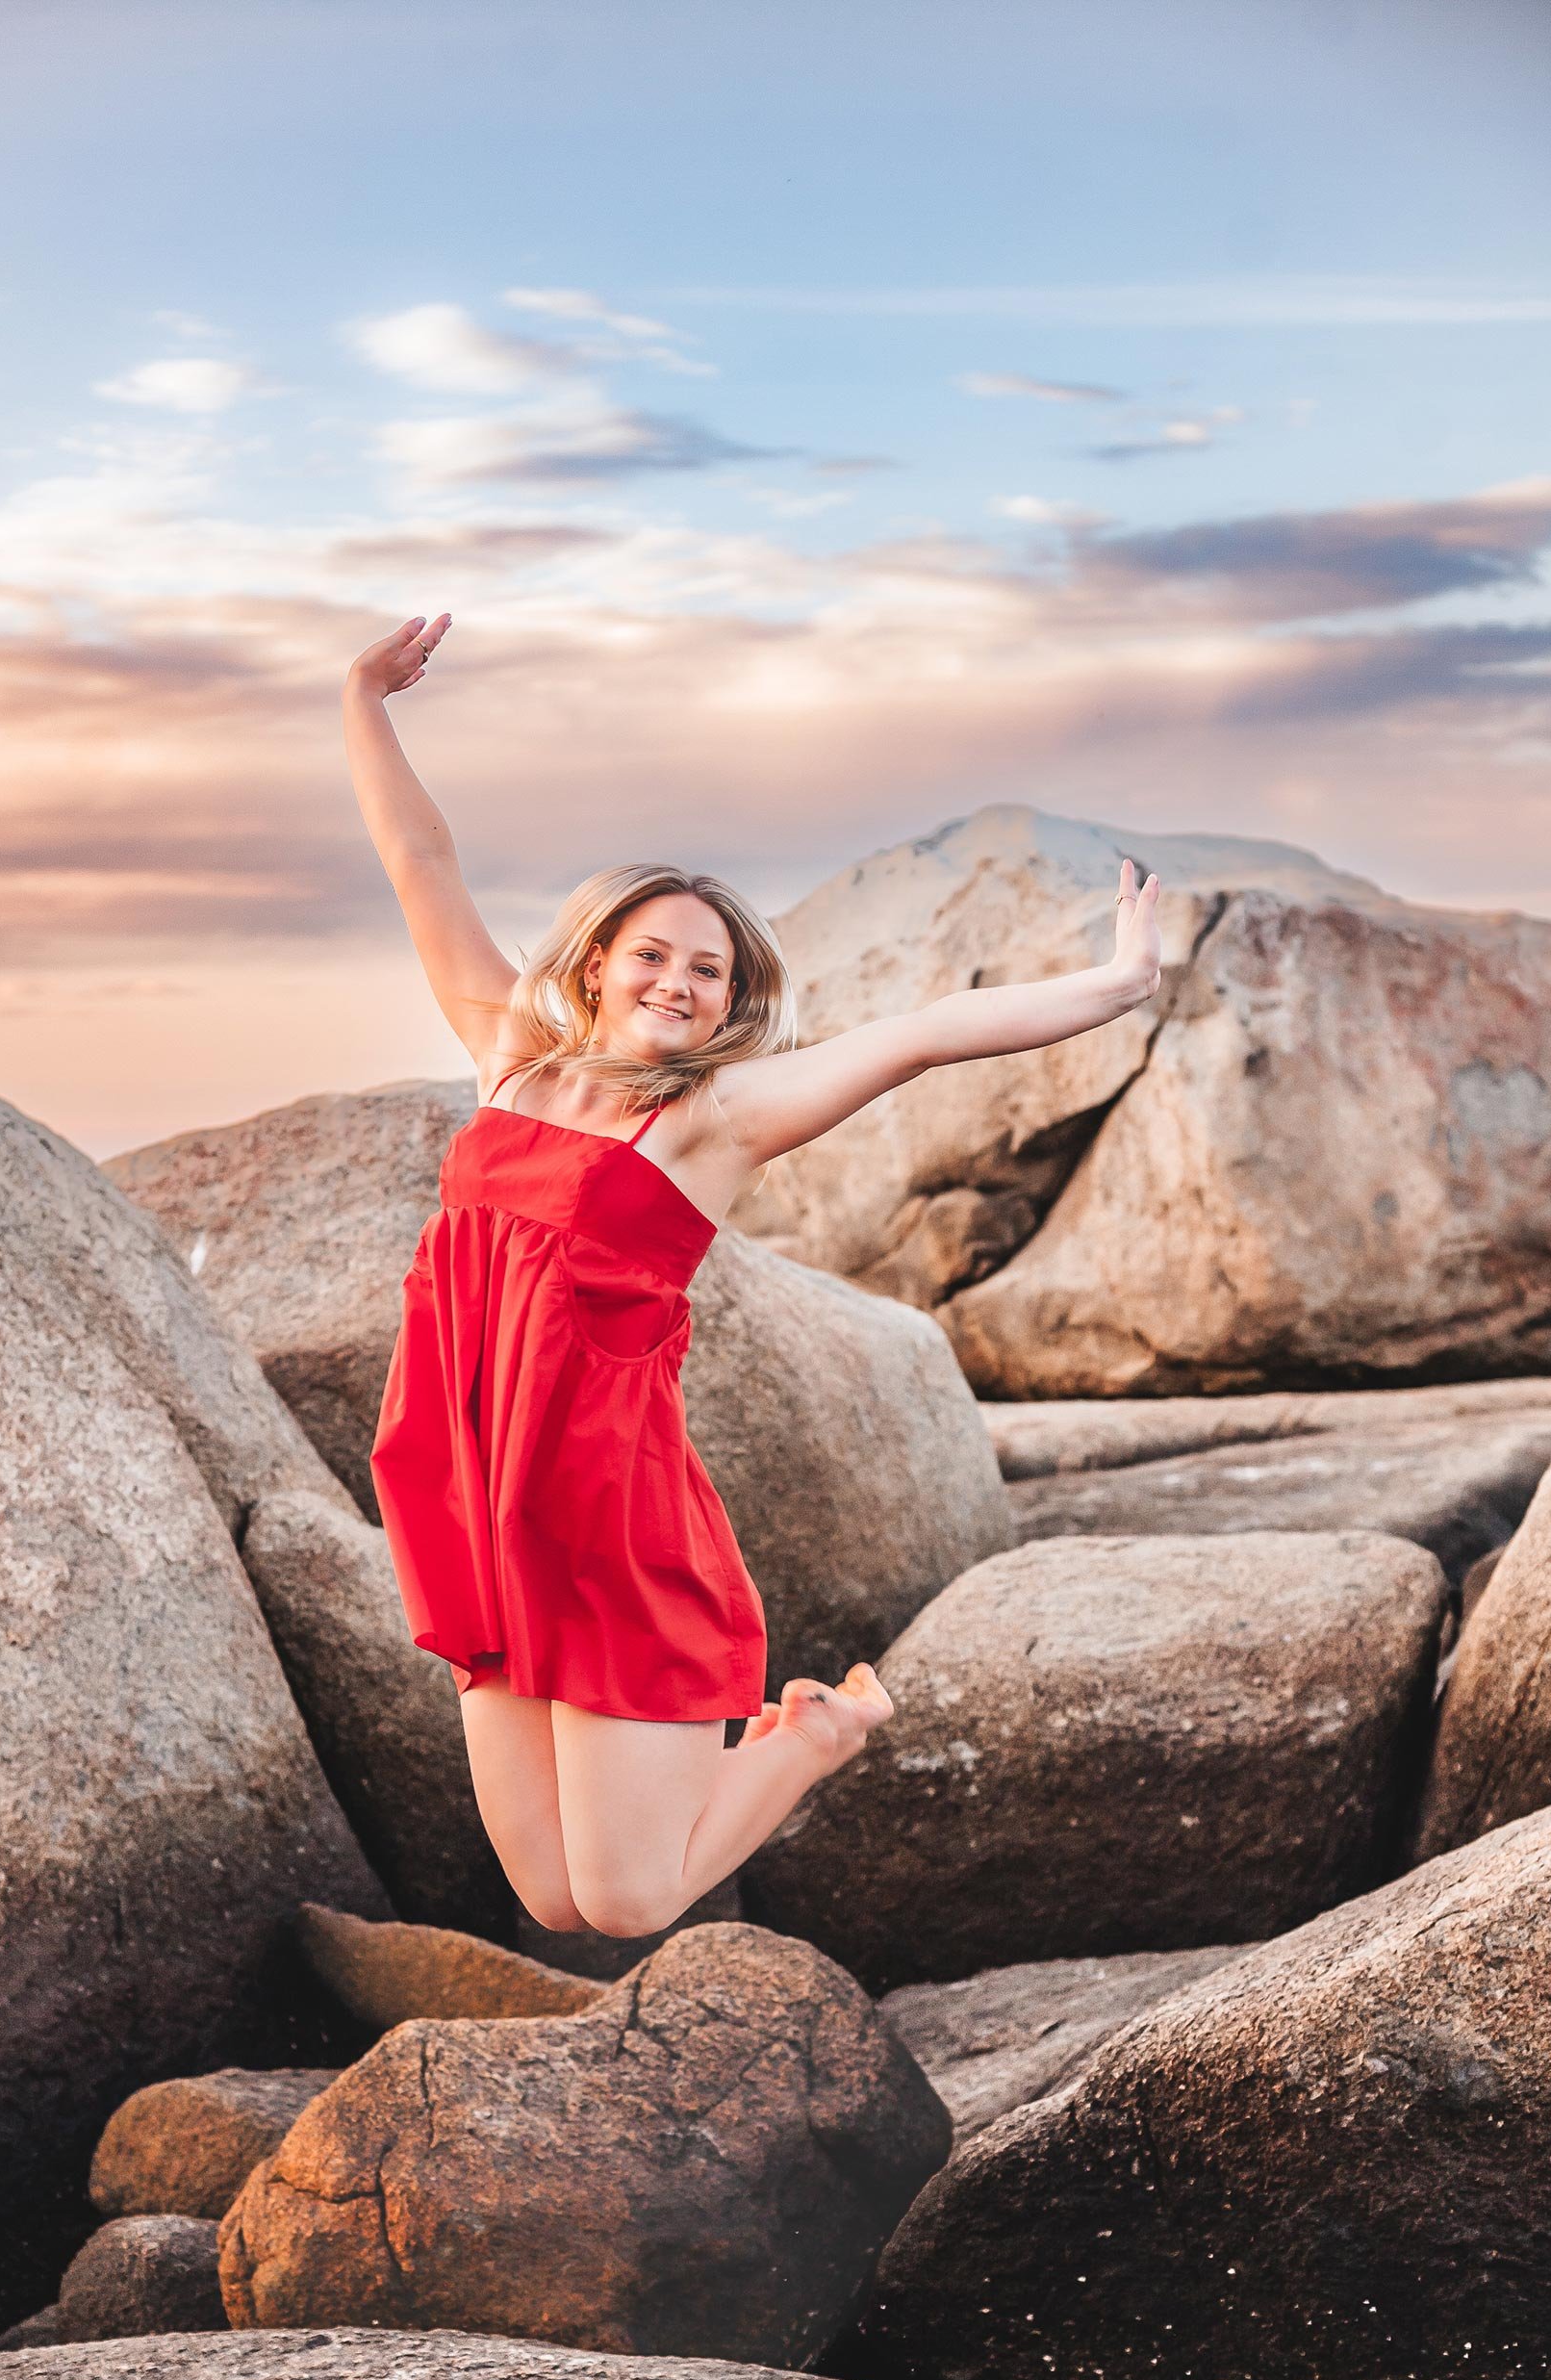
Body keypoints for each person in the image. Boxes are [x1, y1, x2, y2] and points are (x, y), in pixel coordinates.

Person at [344, 611, 1162, 1942]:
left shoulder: (711, 1122)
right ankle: (786, 1738)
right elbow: (416, 856)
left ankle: (813, 1739)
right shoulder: (509, 1058)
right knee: (551, 1897)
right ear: (598, 961)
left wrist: (1119, 981)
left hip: (604, 1515)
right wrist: (362, 699)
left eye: (709, 971)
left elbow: (922, 1037)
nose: (677, 981)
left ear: (729, 1008)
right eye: (654, 954)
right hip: (480, 1498)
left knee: (626, 1900)